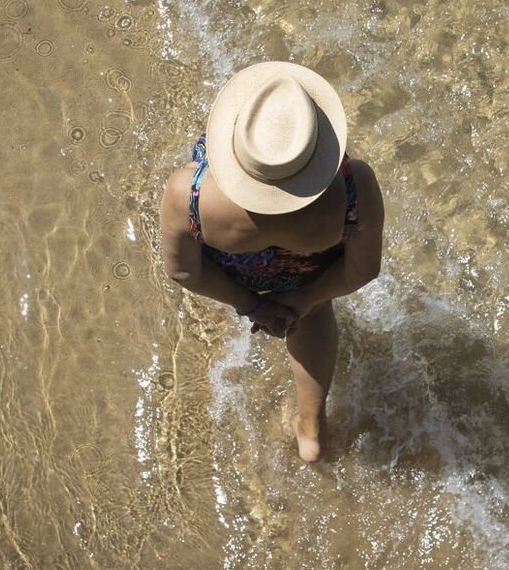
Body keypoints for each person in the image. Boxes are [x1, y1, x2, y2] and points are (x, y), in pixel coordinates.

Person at [159, 61, 384, 463]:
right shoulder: (353, 189)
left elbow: (183, 269)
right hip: (307, 267)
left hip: (237, 267)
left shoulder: (188, 194)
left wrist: (252, 304)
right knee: (315, 315)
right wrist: (305, 299)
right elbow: (361, 270)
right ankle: (311, 431)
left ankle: (309, 424)